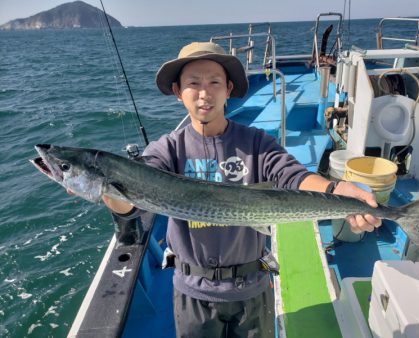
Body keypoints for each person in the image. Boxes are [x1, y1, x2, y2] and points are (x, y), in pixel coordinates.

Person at [103, 42, 381, 338]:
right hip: (193, 292)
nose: (204, 93)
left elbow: (292, 175)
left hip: (251, 290)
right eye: (193, 84)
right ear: (177, 91)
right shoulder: (168, 149)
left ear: (228, 88)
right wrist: (109, 190)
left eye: (214, 83)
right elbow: (133, 203)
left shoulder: (255, 142)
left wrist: (336, 189)